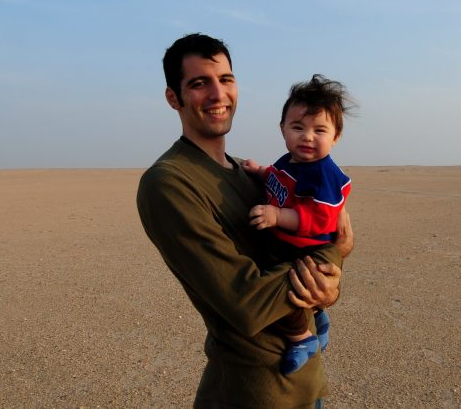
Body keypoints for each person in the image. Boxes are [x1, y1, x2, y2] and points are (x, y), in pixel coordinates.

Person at [136, 33, 353, 408]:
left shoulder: (245, 171)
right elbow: (246, 301)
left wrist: (328, 290)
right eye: (199, 83)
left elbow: (307, 240)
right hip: (252, 392)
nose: (218, 95)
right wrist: (336, 253)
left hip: (304, 385)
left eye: (226, 79)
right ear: (174, 97)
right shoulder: (170, 182)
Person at [241, 74, 353, 375]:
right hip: (284, 242)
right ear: (282, 130)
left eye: (320, 130)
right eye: (298, 128)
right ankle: (317, 318)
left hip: (304, 250)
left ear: (336, 136)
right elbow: (279, 181)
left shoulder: (323, 175)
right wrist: (260, 171)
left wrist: (277, 217)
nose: (307, 137)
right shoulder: (291, 160)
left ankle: (302, 338)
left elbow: (319, 218)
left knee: (281, 288)